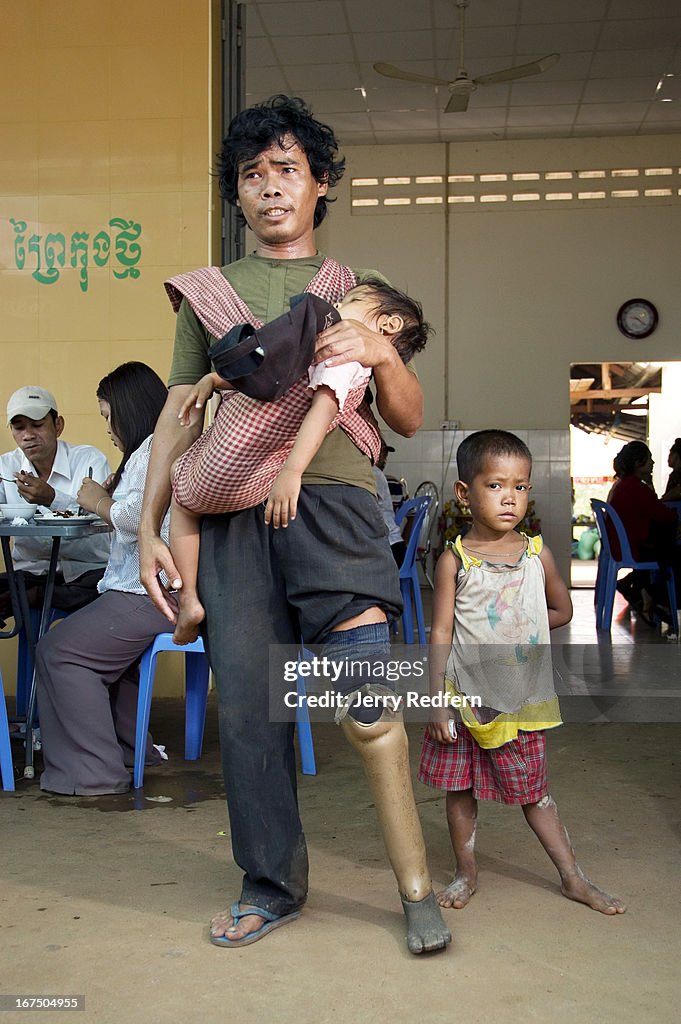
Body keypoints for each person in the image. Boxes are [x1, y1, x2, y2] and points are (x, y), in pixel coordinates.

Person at [139, 94, 451, 954]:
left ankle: (415, 888)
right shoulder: (207, 295)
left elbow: (412, 419)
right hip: (233, 505)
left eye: (287, 170)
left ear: (318, 187)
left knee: (366, 700)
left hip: (338, 497)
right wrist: (148, 527)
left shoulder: (359, 293)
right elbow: (175, 417)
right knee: (248, 707)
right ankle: (270, 883)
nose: (269, 187)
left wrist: (383, 352)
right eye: (251, 175)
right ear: (236, 196)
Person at [419, 430, 626, 916]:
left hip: (520, 700)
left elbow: (562, 610)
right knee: (461, 787)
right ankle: (466, 872)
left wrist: (522, 629)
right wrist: (436, 700)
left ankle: (573, 877)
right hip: (466, 700)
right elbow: (441, 633)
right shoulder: (456, 561)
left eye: (521, 485)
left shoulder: (538, 555)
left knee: (535, 793)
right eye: (495, 485)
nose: (510, 496)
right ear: (465, 493)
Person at [169, 280, 429, 644]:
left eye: (351, 300)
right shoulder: (336, 354)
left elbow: (316, 406)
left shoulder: (345, 357)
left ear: (388, 325)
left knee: (180, 497)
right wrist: (213, 381)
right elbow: (281, 378)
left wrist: (292, 471)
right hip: (251, 479)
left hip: (230, 468)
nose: (338, 301)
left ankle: (188, 599)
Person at [35, 363, 172, 795]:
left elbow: (139, 518)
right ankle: (131, 751)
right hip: (149, 592)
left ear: (128, 411)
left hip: (144, 592)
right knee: (87, 649)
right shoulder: (155, 450)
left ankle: (93, 772)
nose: (108, 429)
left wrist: (99, 502)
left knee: (59, 651)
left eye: (107, 416)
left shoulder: (153, 450)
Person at [0, 386, 111, 625]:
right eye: (19, 427)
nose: (28, 435)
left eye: (37, 424)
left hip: (86, 573)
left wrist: (53, 498)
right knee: (22, 586)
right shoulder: (5, 467)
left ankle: (33, 597)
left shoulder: (89, 460)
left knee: (109, 588)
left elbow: (105, 526)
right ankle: (31, 596)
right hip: (31, 574)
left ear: (58, 425)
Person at [607, 440, 680, 621]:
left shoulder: (626, 485)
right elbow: (663, 515)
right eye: (649, 460)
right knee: (675, 553)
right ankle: (658, 597)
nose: (653, 463)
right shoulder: (636, 488)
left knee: (668, 548)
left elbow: (653, 509)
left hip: (625, 544)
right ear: (639, 463)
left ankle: (642, 590)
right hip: (636, 546)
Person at [373, 442, 406, 566]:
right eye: (382, 454)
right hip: (396, 543)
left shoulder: (374, 474)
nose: (383, 459)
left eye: (385, 455)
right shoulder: (382, 477)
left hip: (389, 547)